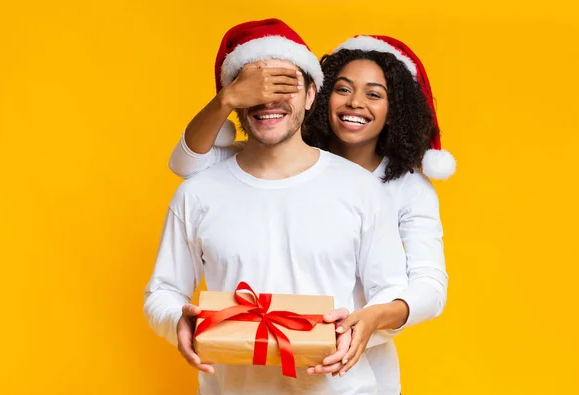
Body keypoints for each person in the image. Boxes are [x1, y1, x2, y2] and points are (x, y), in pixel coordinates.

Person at [166, 33, 455, 394]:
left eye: (374, 94)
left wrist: (370, 318)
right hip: (249, 370)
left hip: (350, 365)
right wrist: (227, 98)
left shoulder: (402, 188)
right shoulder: (278, 149)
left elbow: (428, 285)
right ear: (319, 96)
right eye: (343, 89)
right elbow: (187, 165)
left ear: (396, 109)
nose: (355, 104)